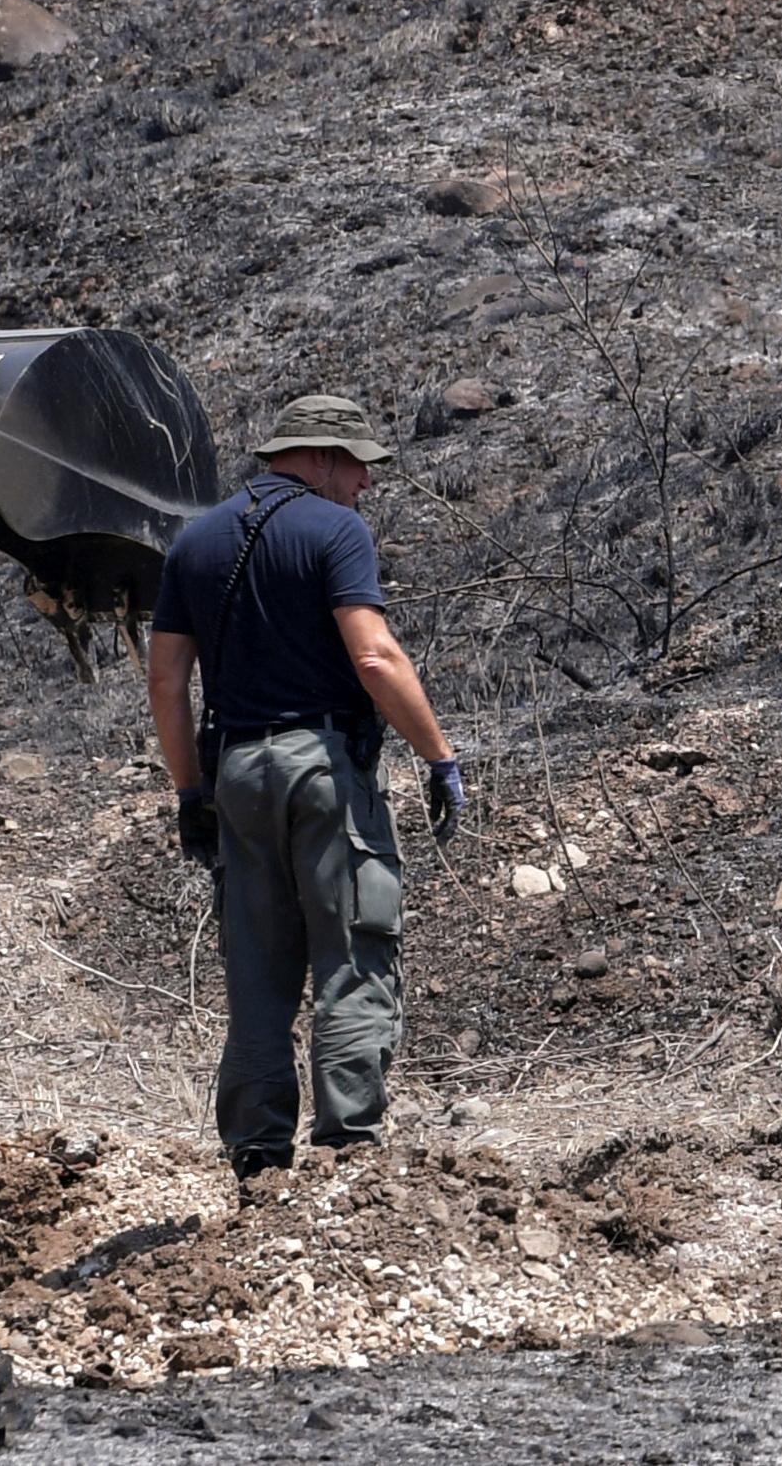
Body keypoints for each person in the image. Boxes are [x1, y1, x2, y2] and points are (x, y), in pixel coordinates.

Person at [145, 392, 465, 1179]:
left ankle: (257, 1156)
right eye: (357, 466)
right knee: (353, 949)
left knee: (257, 969)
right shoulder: (335, 529)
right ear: (321, 456)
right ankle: (348, 1155)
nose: (363, 483)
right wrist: (438, 756)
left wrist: (191, 793)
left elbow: (164, 680)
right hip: (322, 768)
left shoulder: (195, 542)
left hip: (237, 775)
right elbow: (375, 658)